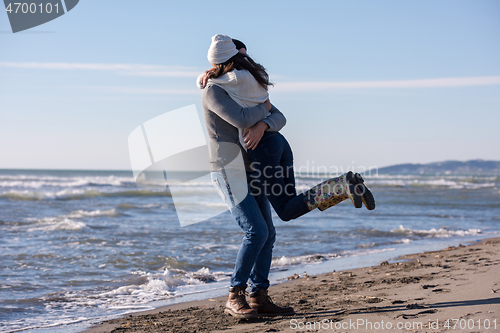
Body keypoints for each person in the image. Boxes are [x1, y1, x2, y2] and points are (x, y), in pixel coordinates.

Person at [199, 34, 375, 223]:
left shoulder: (234, 85)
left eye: (244, 56)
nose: (244, 61)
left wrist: (261, 125)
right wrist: (265, 112)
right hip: (279, 143)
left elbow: (248, 118)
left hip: (263, 148)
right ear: (229, 59)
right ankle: (345, 187)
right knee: (290, 204)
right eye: (240, 57)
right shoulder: (249, 84)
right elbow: (276, 115)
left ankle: (340, 186)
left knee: (284, 210)